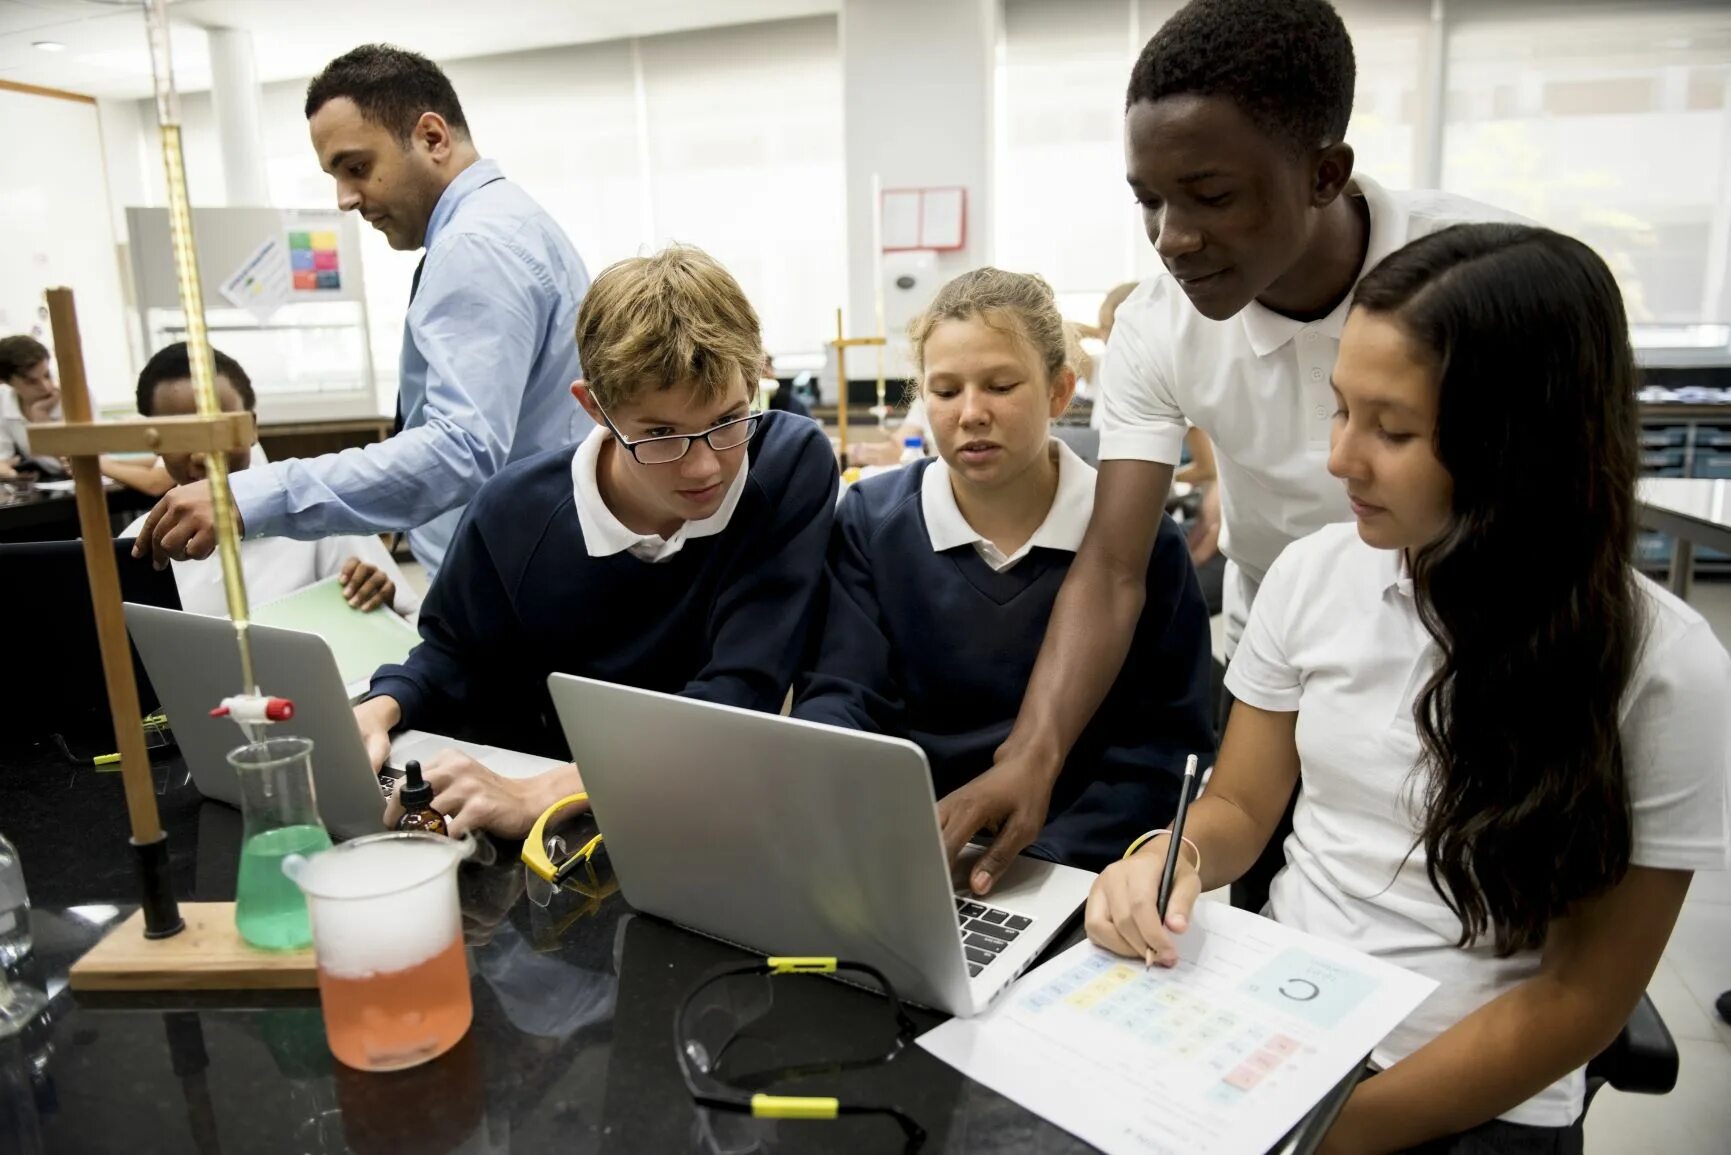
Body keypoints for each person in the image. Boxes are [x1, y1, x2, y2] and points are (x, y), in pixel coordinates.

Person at [1087, 223, 1731, 1153]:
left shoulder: (1662, 667)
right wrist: (1170, 856)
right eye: (1339, 411)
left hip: (1473, 1092)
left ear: (1519, 443)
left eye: (1392, 429)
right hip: (1276, 1025)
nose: (1341, 459)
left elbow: (1581, 996)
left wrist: (1329, 1132)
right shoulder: (1313, 573)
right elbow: (1236, 803)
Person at [946, 0, 1523, 894]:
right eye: (1149, 201)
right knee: (1259, 889)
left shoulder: (1493, 279)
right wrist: (1033, 755)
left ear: (1323, 174)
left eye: (1211, 197)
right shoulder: (1156, 324)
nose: (1173, 239)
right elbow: (1112, 567)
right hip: (1280, 655)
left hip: (1479, 637)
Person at [363, 245, 838, 838]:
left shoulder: (788, 463)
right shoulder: (513, 510)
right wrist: (380, 708)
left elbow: (741, 691)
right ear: (595, 407)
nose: (703, 469)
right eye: (661, 434)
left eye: (726, 422)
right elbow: (455, 655)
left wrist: (545, 794)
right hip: (552, 807)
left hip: (685, 800)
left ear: (756, 378)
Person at [794, 269, 1213, 872]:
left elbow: (1164, 751)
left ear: (1060, 392)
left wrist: (1046, 858)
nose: (970, 413)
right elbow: (843, 694)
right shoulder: (869, 521)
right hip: (909, 852)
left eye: (1000, 385)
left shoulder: (1143, 541)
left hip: (1069, 868)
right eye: (944, 391)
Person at [133, 44, 592, 581]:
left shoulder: (475, 245)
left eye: (357, 167)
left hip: (521, 576)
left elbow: (458, 451)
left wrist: (248, 496)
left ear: (432, 137)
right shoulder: (508, 221)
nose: (345, 199)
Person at [120, 343, 417, 618]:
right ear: (154, 441)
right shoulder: (139, 542)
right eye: (180, 435)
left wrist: (381, 605)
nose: (202, 454)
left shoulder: (319, 515)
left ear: (252, 427)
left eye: (221, 429)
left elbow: (406, 626)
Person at [0, 335, 65, 478]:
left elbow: (81, 466)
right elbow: (4, 461)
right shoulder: (4, 400)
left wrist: (43, 423)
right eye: (31, 382)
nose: (46, 387)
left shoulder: (75, 397)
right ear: (5, 382)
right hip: (47, 484)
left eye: (47, 375)